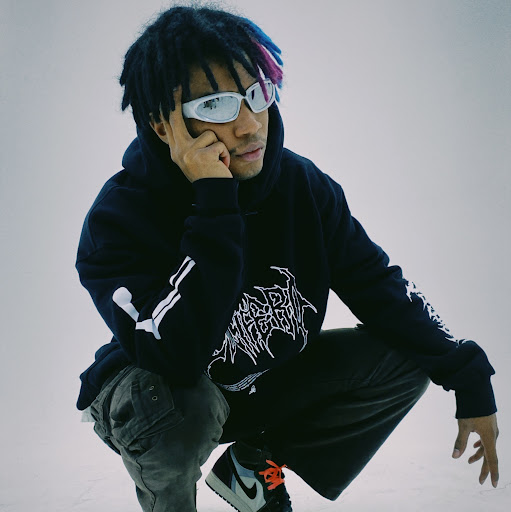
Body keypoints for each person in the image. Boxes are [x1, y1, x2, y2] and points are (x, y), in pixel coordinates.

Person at [75, 5, 499, 512]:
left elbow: (376, 284)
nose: (250, 125)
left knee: (406, 357)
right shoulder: (119, 218)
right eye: (217, 106)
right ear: (164, 125)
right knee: (184, 405)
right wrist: (215, 204)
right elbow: (175, 357)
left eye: (257, 94)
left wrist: (468, 375)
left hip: (255, 386)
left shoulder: (302, 187)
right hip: (153, 392)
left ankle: (253, 467)